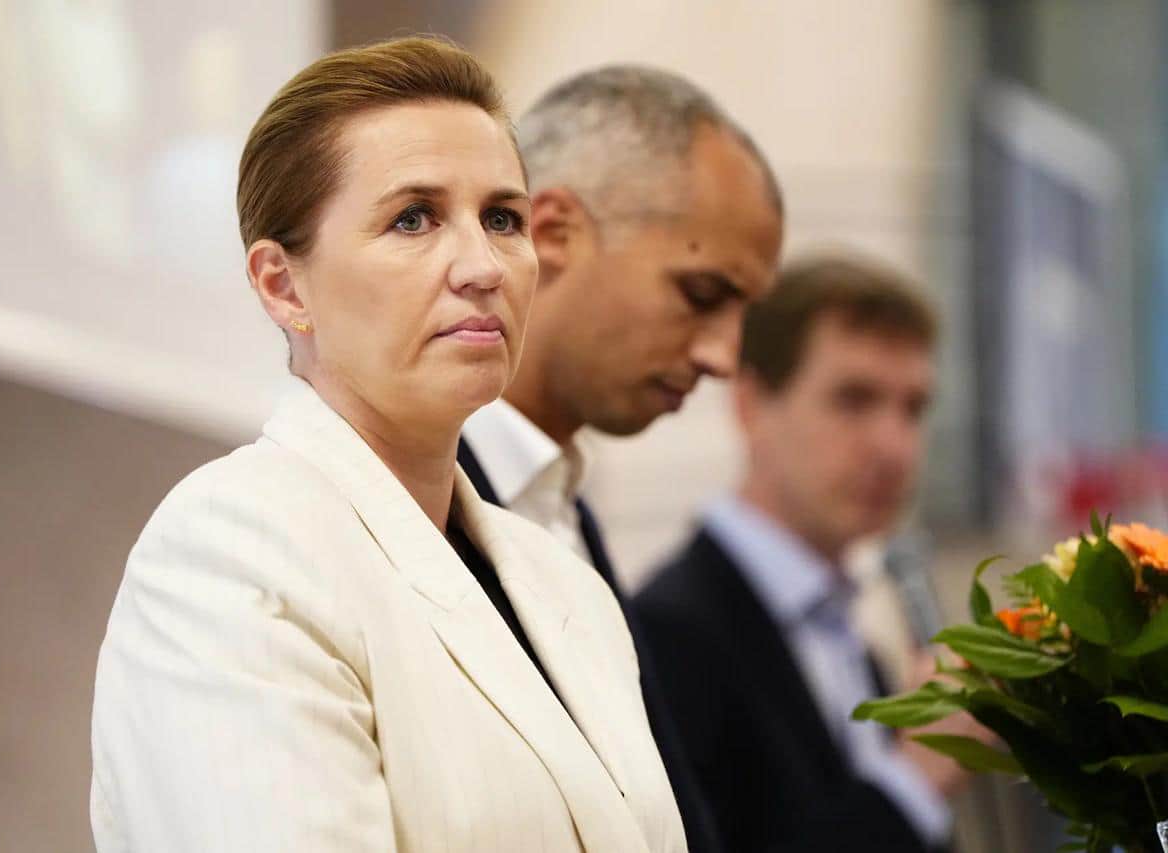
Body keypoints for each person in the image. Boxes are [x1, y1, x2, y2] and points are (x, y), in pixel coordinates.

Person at [90, 37, 686, 853]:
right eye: (414, 218)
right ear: (282, 285)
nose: (482, 266)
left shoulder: (568, 585)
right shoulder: (231, 553)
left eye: (502, 218)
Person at [458, 66, 783, 852]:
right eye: (701, 293)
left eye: (744, 314)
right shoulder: (392, 502)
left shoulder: (567, 513)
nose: (723, 355)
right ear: (552, 232)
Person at [633, 257, 986, 853]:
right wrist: (914, 779)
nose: (894, 446)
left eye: (914, 408)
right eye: (854, 399)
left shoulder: (848, 628)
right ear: (750, 405)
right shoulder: (667, 633)